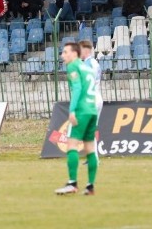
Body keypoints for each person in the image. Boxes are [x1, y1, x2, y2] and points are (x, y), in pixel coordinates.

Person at [54, 42, 98, 196]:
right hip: (92, 110)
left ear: (74, 54)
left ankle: (72, 183)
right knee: (90, 148)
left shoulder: (73, 66)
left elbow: (77, 88)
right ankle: (90, 186)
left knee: (71, 146)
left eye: (65, 52)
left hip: (82, 110)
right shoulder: (87, 67)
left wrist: (72, 110)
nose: (62, 55)